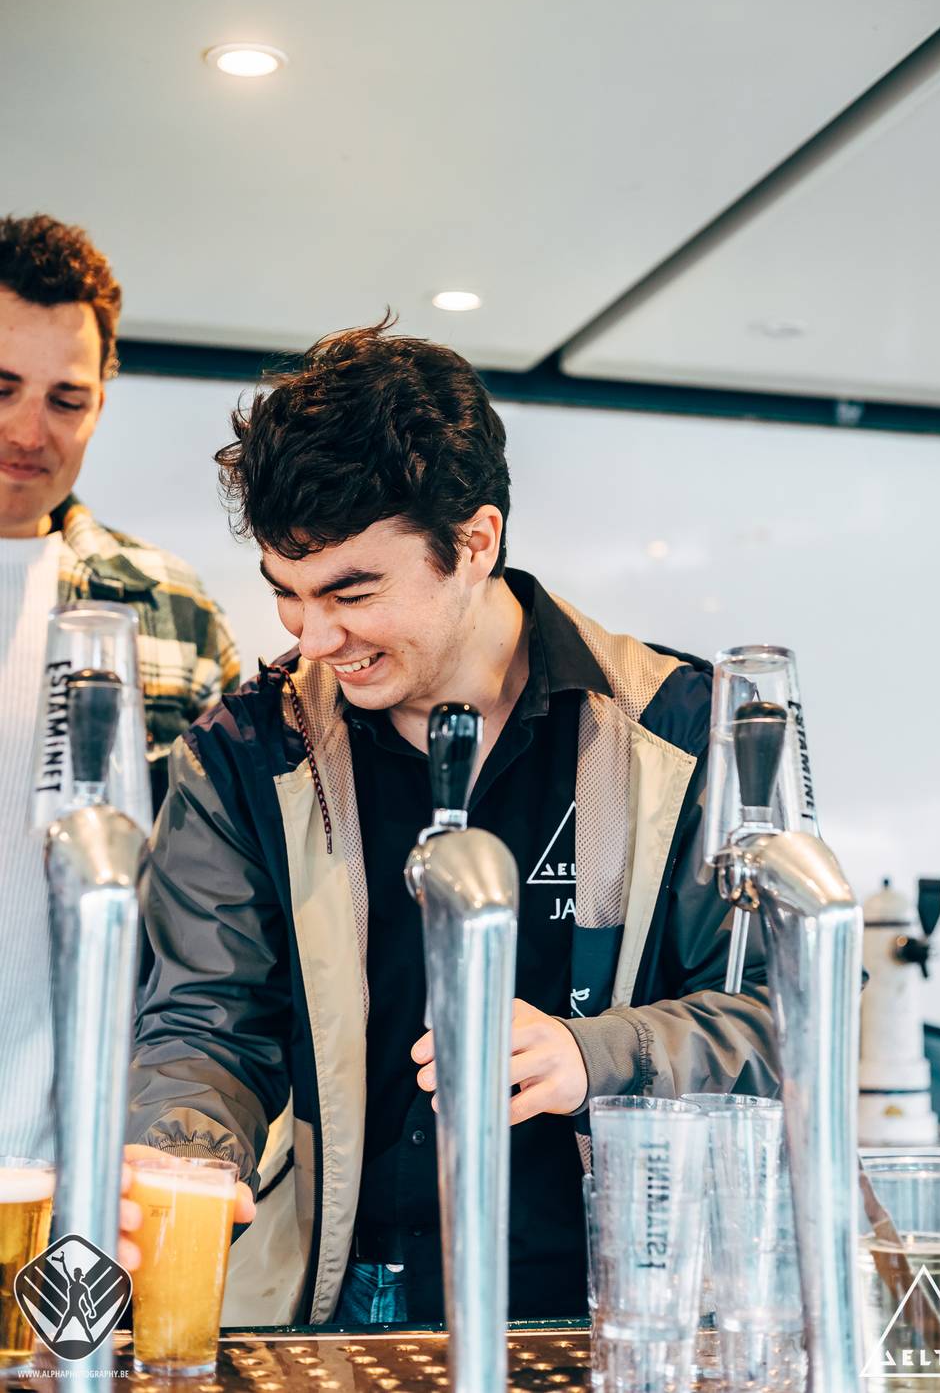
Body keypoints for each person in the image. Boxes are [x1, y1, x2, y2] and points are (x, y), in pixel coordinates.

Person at [124, 318, 777, 1326]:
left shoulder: (683, 732)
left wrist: (592, 1055)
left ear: (475, 542)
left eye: (352, 592)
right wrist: (186, 1154)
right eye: (288, 595)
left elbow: (787, 1022)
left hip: (623, 1310)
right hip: (345, 1307)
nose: (316, 637)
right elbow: (204, 1020)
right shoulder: (249, 750)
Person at [0, 213, 240, 1165]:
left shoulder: (169, 610)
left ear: (103, 397)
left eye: (67, 399)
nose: (29, 432)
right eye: (0, 387)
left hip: (91, 1158)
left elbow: (222, 917)